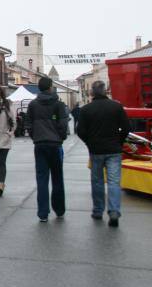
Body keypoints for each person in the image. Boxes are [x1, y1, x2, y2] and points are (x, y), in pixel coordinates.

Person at [76, 81, 130, 227]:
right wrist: (119, 142)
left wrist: (89, 142)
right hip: (114, 150)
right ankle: (113, 211)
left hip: (96, 150)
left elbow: (80, 131)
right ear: (105, 91)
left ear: (92, 92)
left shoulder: (86, 109)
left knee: (97, 181)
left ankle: (98, 210)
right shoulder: (116, 107)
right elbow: (126, 127)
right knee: (113, 182)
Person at [27, 77, 69, 222]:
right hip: (55, 144)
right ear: (50, 87)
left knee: (42, 178)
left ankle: (43, 213)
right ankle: (59, 209)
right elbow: (63, 125)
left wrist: (35, 137)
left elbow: (29, 125)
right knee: (57, 178)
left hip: (40, 144)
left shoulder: (33, 105)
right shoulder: (58, 104)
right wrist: (61, 138)